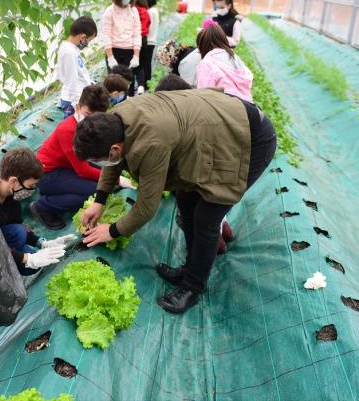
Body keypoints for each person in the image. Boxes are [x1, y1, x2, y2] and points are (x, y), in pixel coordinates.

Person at [73, 89, 277, 314]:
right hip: (213, 130)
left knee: (207, 216)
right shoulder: (112, 120)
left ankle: (193, 287)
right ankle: (191, 268)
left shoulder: (150, 142)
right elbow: (114, 164)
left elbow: (146, 208)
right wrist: (99, 201)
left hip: (250, 137)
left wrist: (112, 231)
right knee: (186, 199)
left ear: (115, 148)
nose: (102, 163)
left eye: (99, 159)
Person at [30, 85, 133, 229]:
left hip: (66, 167)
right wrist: (117, 179)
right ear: (77, 107)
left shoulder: (90, 129)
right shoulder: (67, 130)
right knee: (95, 191)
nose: (90, 122)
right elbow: (83, 171)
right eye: (87, 115)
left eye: (96, 117)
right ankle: (43, 206)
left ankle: (54, 192)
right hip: (46, 174)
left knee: (102, 176)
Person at [154, 73, 235, 254]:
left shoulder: (190, 118)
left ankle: (215, 246)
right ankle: (224, 233)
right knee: (209, 206)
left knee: (200, 215)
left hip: (215, 165)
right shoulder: (198, 106)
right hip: (223, 161)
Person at [0, 148, 72, 275]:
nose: (32, 190)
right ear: (14, 181)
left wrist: (42, 243)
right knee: (26, 257)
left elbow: (16, 223)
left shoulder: (10, 192)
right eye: (30, 186)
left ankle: (10, 258)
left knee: (28, 259)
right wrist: (27, 259)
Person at [101, 0, 141, 96]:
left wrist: (136, 55)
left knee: (128, 86)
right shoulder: (110, 11)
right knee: (114, 86)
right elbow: (106, 34)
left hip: (129, 52)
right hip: (114, 51)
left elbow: (137, 33)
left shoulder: (134, 11)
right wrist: (110, 57)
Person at [195, 24, 253, 103]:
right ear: (224, 40)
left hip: (226, 109)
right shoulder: (235, 58)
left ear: (203, 45)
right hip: (248, 107)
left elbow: (203, 97)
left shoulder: (207, 63)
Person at [57, 16, 97, 118]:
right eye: (89, 40)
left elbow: (79, 73)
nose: (88, 43)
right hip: (73, 102)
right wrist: (77, 105)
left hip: (78, 99)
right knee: (75, 131)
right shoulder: (69, 52)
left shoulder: (72, 49)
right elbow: (71, 80)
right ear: (83, 37)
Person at [134, 0, 151, 92]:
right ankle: (141, 86)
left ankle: (131, 91)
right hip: (144, 39)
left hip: (134, 39)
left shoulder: (132, 10)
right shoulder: (146, 12)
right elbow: (149, 24)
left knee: (132, 66)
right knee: (141, 65)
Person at [143, 0, 159, 90]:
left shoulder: (150, 12)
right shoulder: (154, 10)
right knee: (147, 63)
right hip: (152, 40)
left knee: (145, 64)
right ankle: (147, 85)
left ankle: (145, 85)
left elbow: (146, 27)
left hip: (147, 40)